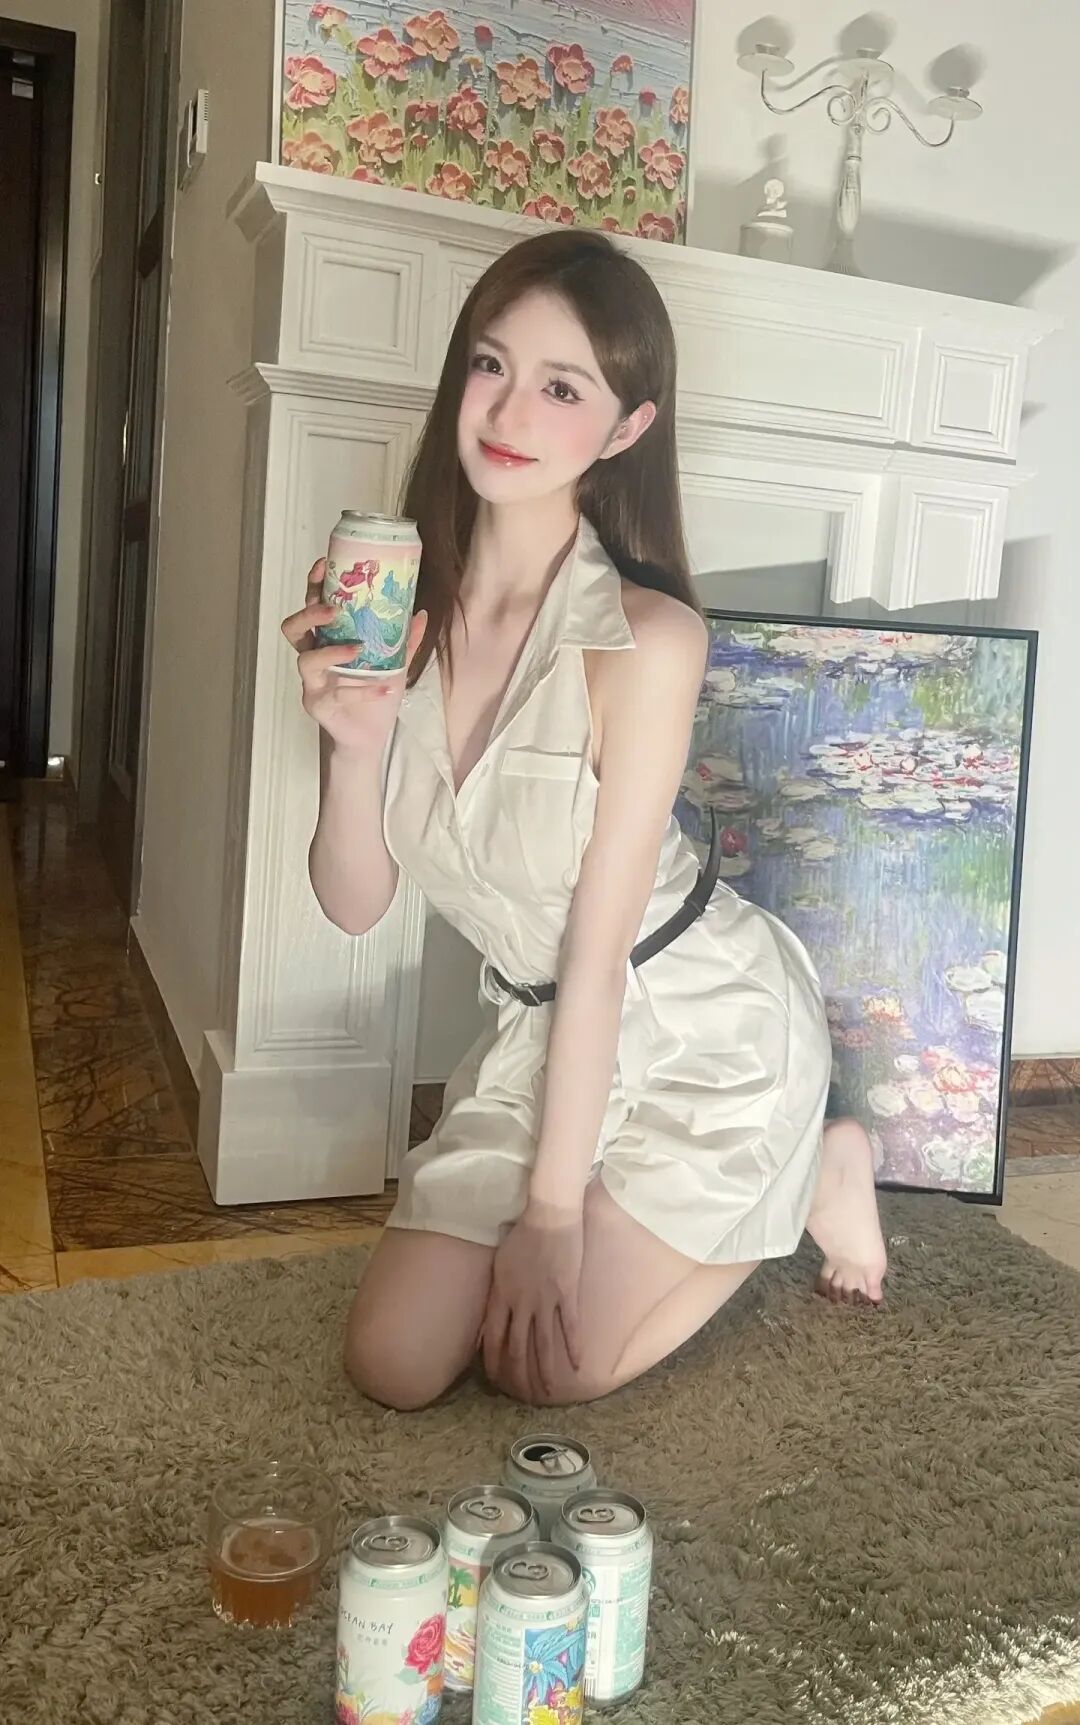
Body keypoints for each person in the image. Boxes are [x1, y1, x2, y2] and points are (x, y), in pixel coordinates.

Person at [281, 229, 887, 1412]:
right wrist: (351, 745)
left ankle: (817, 1160)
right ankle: (666, 1193)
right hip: (538, 1037)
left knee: (543, 1368)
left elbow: (600, 958)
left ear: (624, 429)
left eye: (563, 388)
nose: (510, 411)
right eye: (490, 365)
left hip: (701, 1029)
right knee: (393, 1365)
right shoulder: (392, 612)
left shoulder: (648, 641)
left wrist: (551, 1218)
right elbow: (354, 906)